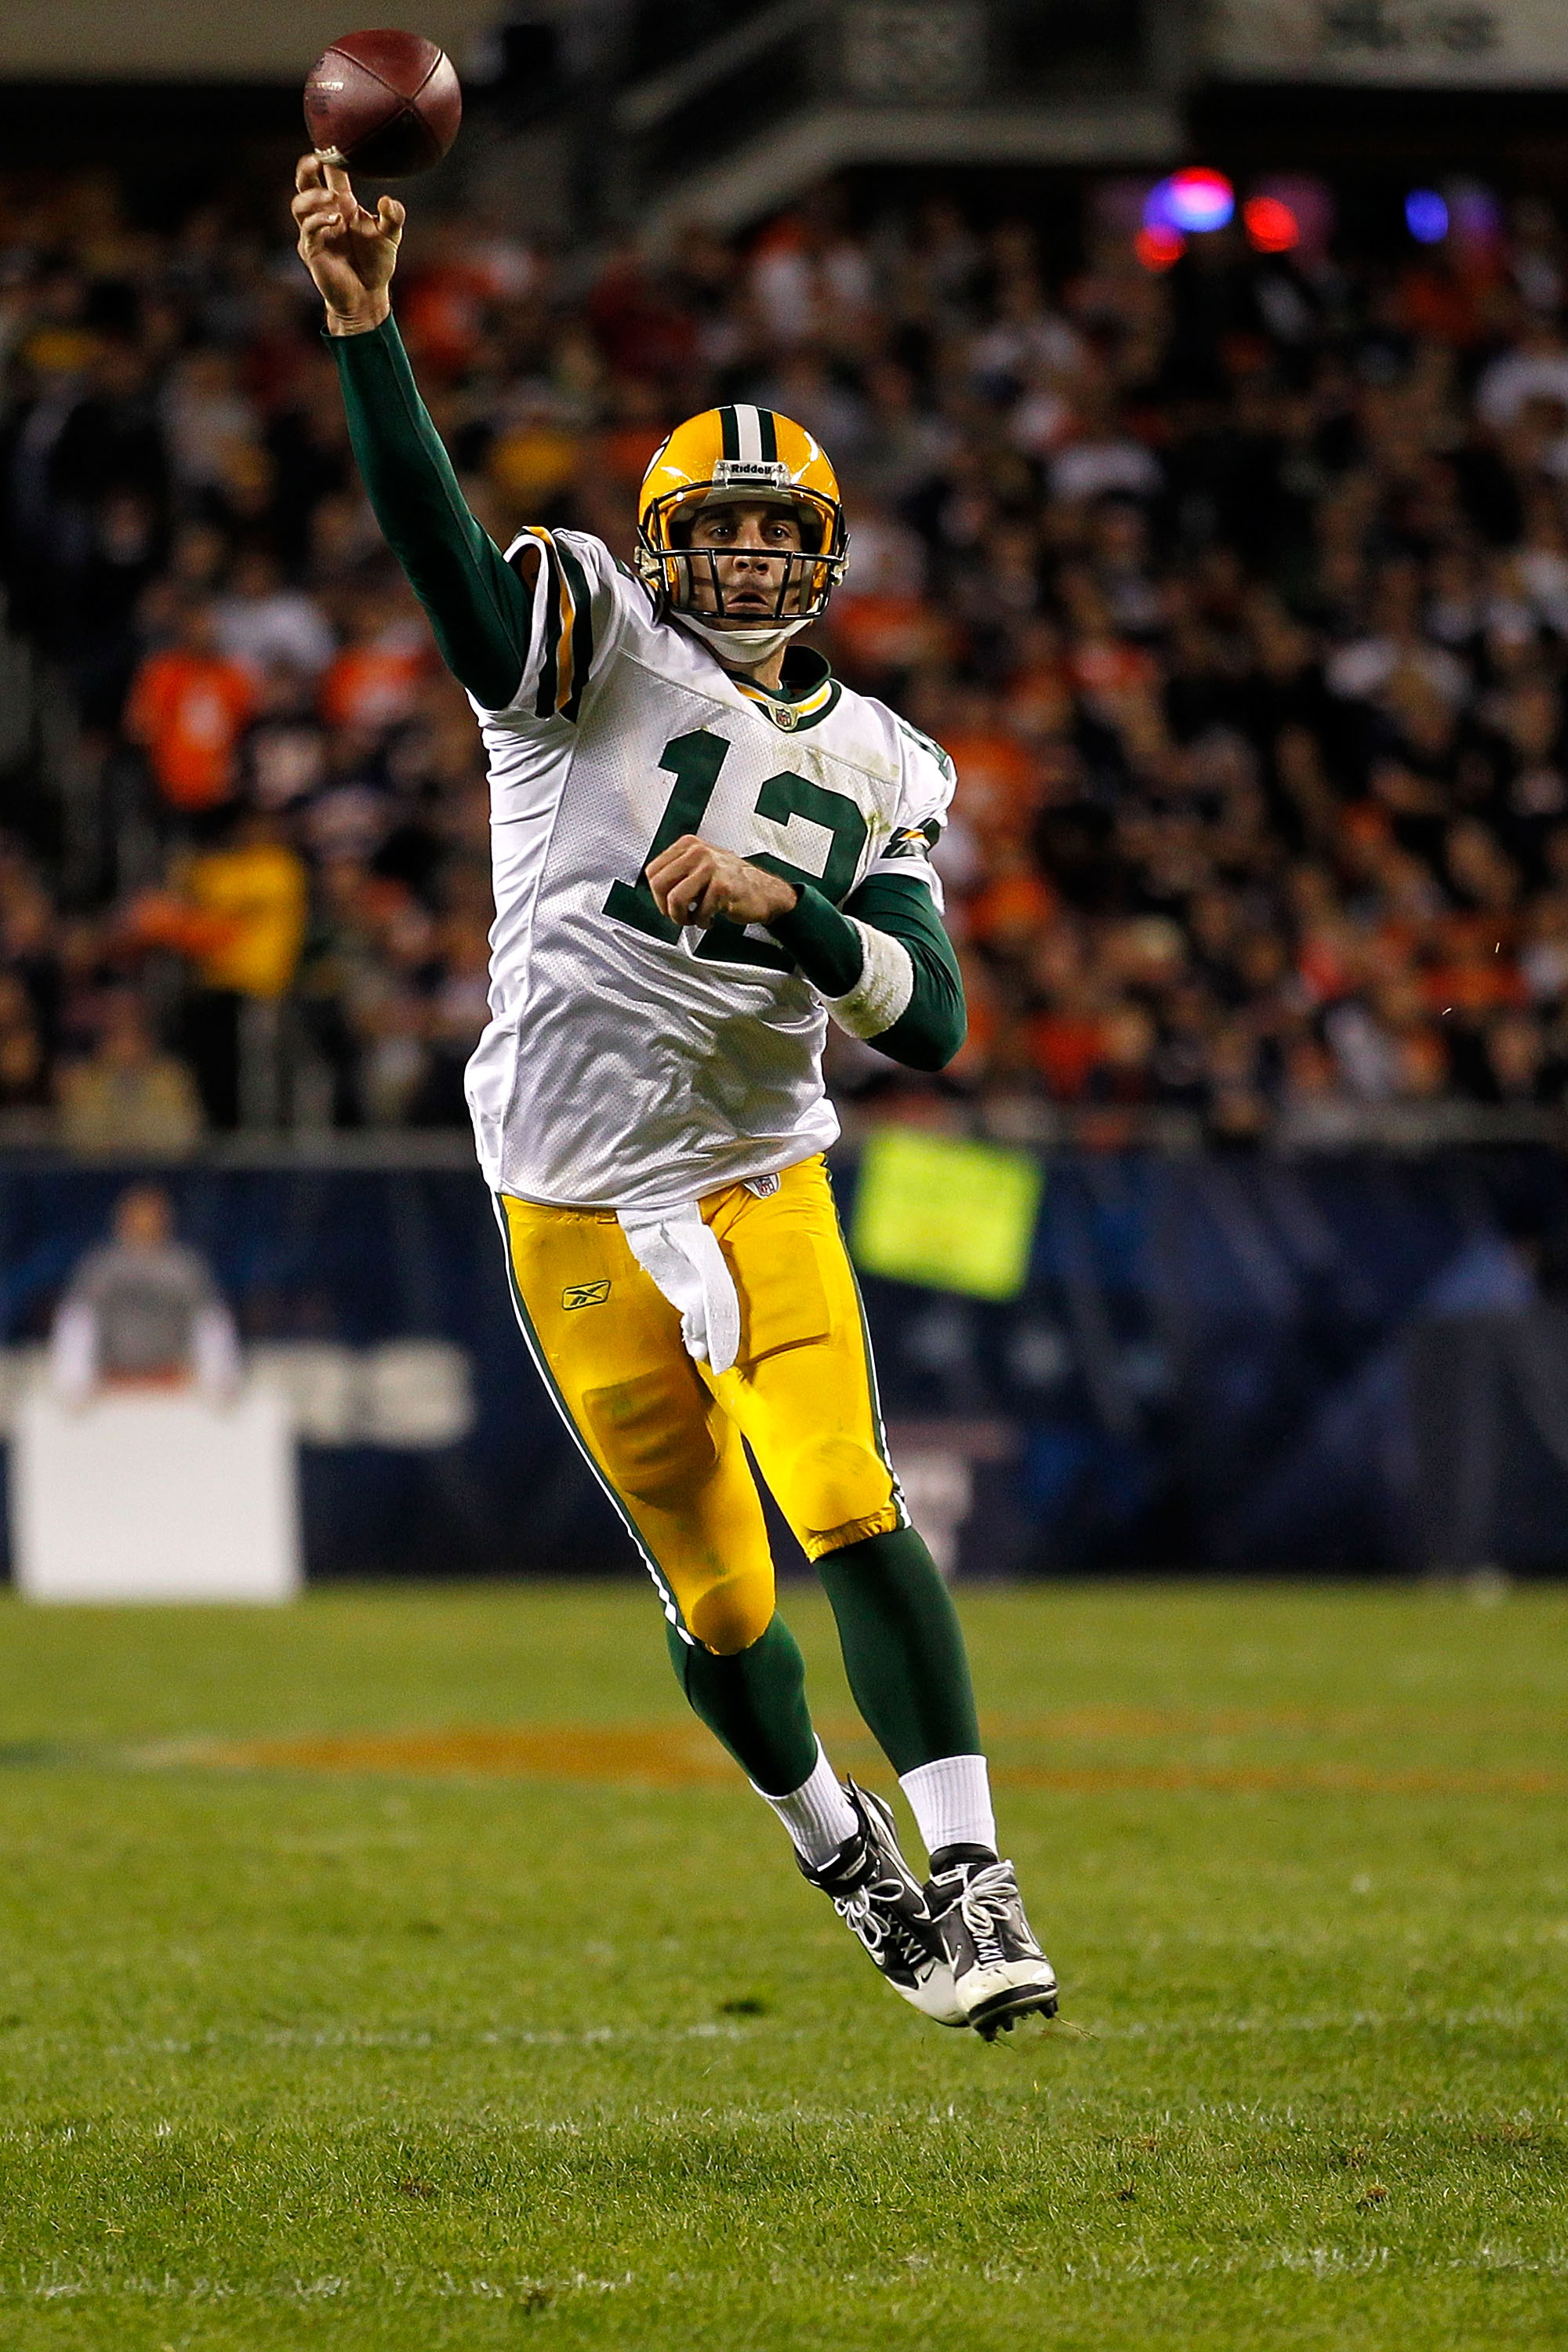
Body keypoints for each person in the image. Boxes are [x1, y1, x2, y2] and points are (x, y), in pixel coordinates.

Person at [292, 154, 1057, 2038]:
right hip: (558, 1187)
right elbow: (445, 565)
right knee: (720, 1597)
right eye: (710, 528)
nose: (740, 560)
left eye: (771, 530)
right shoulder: (578, 652)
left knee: (849, 1502)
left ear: (824, 554)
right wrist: (371, 337)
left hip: (751, 1174)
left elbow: (934, 1021)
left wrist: (789, 901)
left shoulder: (876, 758)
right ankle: (836, 1848)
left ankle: (972, 1868)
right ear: (656, 545)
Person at [50, 1184, 241, 1403]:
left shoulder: (186, 1268)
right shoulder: (99, 1268)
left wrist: (218, 1380)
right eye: (138, 1215)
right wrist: (74, 1383)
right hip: (112, 1383)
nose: (145, 1222)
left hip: (171, 1381)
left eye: (152, 1215)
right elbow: (78, 1324)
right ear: (122, 1219)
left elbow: (210, 1325)